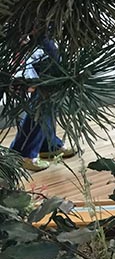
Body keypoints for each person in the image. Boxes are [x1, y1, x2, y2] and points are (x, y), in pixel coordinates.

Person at [11, 38, 75, 172]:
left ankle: (47, 143)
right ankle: (23, 151)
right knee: (45, 90)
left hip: (42, 29)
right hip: (29, 28)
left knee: (52, 85)